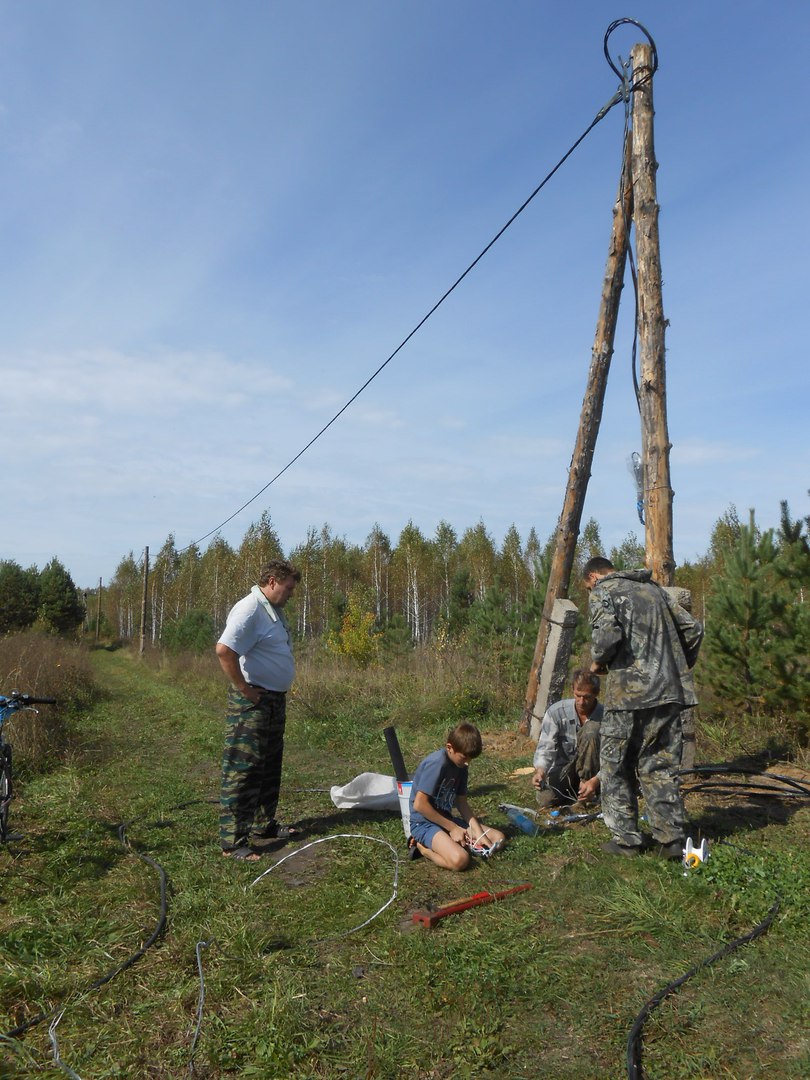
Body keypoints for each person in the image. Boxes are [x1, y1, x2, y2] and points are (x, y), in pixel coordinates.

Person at [582, 557, 704, 859]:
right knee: (659, 764)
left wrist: (598, 662)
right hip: (668, 692)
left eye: (587, 587)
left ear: (594, 577)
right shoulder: (655, 590)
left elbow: (607, 637)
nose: (589, 592)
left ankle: (626, 841)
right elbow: (693, 629)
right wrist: (672, 668)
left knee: (615, 765)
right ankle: (672, 840)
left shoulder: (604, 591)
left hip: (629, 695)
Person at [215, 558, 302, 861]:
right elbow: (224, 650)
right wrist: (244, 690)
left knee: (268, 765)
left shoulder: (272, 611)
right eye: (288, 588)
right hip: (253, 703)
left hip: (273, 701)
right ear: (272, 581)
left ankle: (264, 824)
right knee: (244, 770)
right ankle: (232, 842)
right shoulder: (250, 608)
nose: (291, 593)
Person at [408, 722, 506, 871]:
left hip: (446, 819)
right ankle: (424, 849)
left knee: (498, 838)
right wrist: (453, 828)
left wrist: (480, 835)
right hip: (423, 823)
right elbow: (420, 805)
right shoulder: (437, 764)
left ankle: (458, 843)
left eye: (470, 759)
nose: (467, 763)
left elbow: (462, 803)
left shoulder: (461, 766)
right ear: (449, 748)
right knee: (461, 860)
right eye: (464, 757)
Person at [532, 669, 602, 811]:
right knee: (545, 799)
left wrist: (595, 781)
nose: (581, 702)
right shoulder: (556, 712)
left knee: (591, 730)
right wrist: (540, 771)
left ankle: (587, 793)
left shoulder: (607, 717)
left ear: (596, 694)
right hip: (565, 768)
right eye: (578, 696)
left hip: (596, 773)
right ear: (572, 690)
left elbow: (612, 759)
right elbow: (546, 747)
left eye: (587, 697)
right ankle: (576, 792)